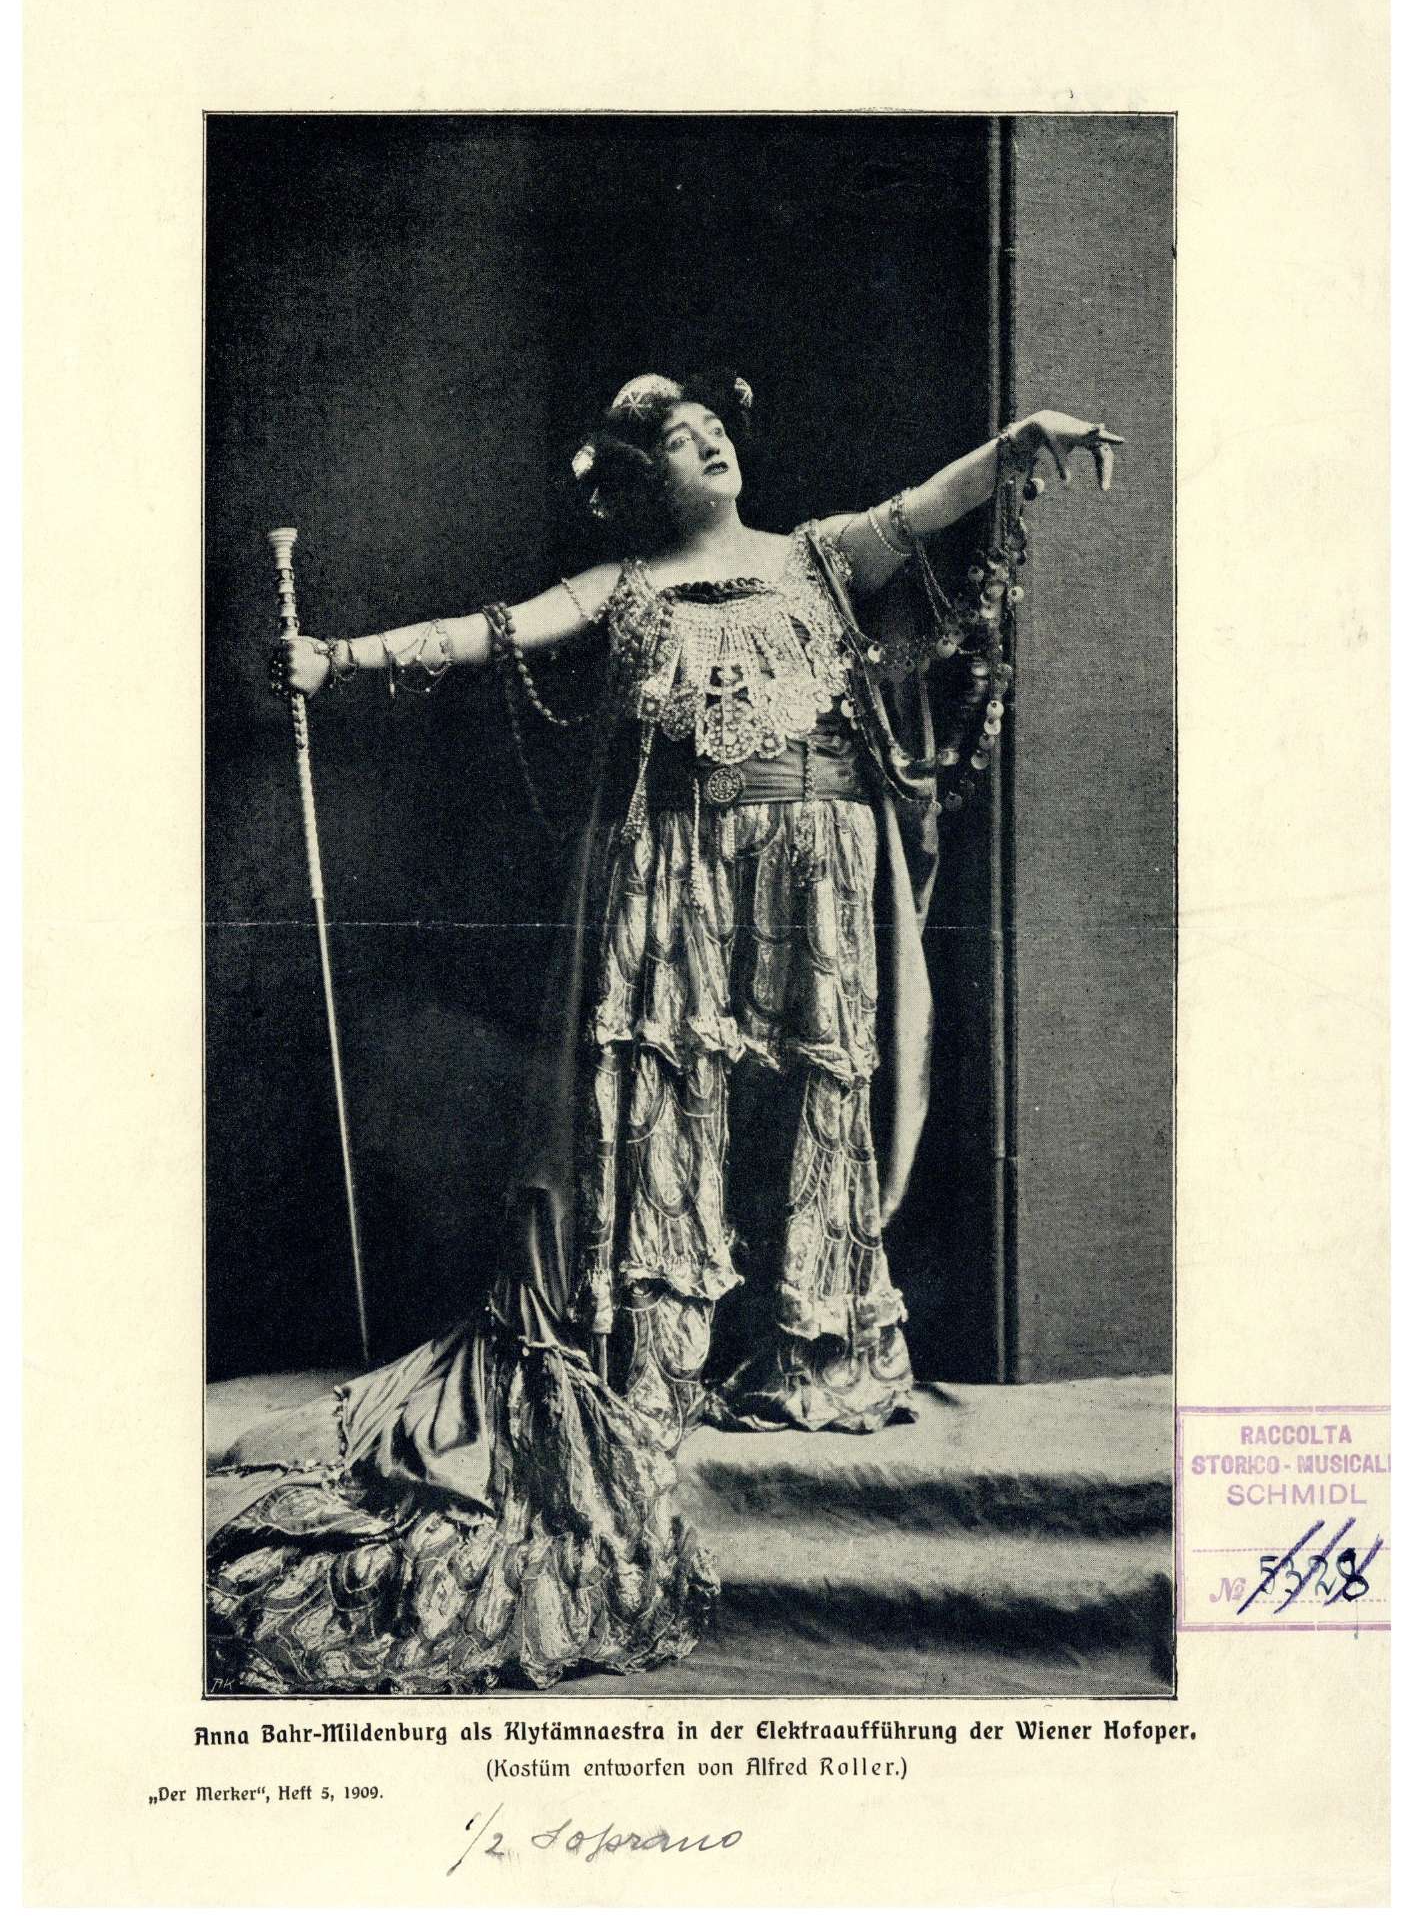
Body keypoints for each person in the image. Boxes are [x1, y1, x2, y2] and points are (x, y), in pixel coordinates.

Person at [207, 370, 1121, 1695]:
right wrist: (338, 660)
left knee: (815, 1100)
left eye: (716, 432)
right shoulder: (621, 588)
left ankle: (812, 1351)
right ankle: (659, 1358)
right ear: (647, 483)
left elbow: (926, 507)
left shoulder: (820, 553)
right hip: (677, 864)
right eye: (683, 445)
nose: (711, 448)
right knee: (667, 1102)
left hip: (816, 853)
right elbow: (487, 634)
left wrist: (1018, 442)